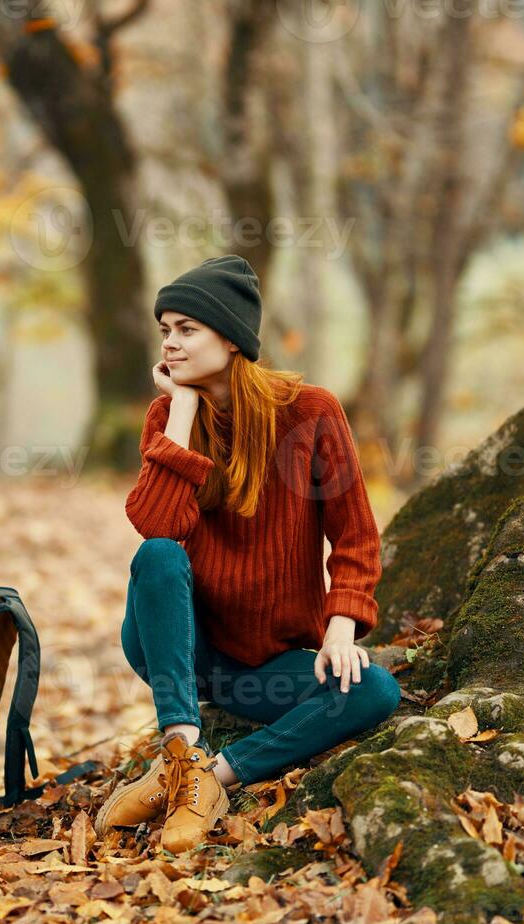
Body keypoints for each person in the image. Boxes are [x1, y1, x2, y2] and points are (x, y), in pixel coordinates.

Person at [97, 254, 402, 854]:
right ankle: (181, 746)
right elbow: (157, 525)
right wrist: (182, 413)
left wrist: (341, 631)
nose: (172, 344)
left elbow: (356, 535)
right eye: (166, 331)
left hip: (268, 663)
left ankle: (207, 778)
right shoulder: (167, 413)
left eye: (187, 329)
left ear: (232, 339)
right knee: (159, 556)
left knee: (374, 691)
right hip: (186, 651)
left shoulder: (311, 412)